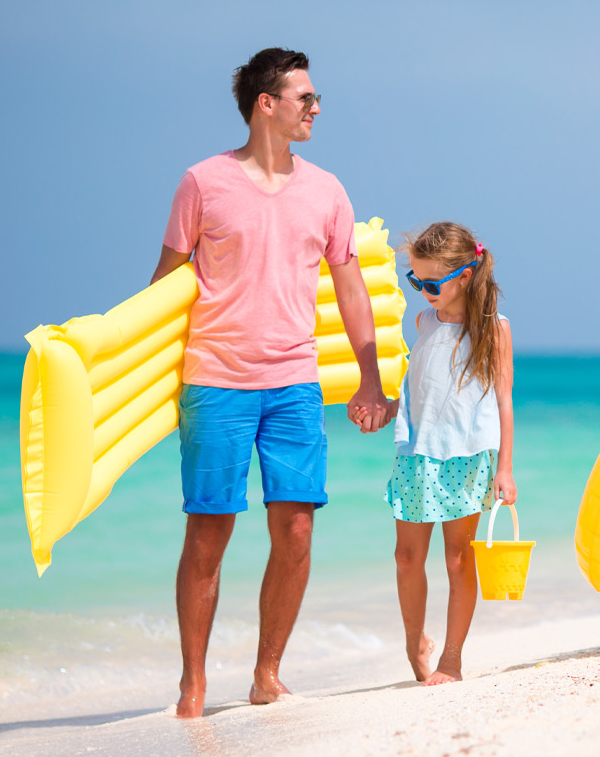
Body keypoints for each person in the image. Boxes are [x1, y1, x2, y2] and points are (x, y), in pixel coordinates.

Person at [150, 48, 396, 717]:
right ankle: (193, 683)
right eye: (304, 97)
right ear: (268, 104)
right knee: (210, 532)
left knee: (295, 532)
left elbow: (349, 286)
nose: (316, 107)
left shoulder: (327, 191)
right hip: (216, 382)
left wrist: (369, 380)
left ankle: (267, 672)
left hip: (294, 382)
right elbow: (165, 287)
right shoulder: (203, 182)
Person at [388, 222, 516, 684]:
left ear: (464, 275)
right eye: (415, 281)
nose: (423, 291)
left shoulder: (493, 329)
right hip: (418, 452)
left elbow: (504, 400)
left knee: (458, 558)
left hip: (468, 455)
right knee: (406, 557)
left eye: (431, 283)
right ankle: (413, 643)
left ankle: (452, 659)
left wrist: (505, 468)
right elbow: (417, 384)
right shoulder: (423, 321)